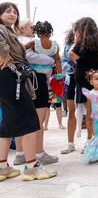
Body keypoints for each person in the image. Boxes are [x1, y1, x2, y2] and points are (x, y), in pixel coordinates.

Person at [0, 2, 57, 181]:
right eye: (8, 11)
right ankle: (32, 167)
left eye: (15, 11)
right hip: (10, 77)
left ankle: (2, 167)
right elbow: (4, 51)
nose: (12, 14)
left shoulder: (8, 31)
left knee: (9, 122)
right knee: (31, 120)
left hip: (8, 78)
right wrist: (5, 56)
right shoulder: (2, 31)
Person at [12, 18, 55, 165]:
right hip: (36, 80)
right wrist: (51, 60)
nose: (34, 29)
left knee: (22, 117)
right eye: (31, 27)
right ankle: (39, 153)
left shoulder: (18, 40)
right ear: (23, 28)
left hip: (22, 80)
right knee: (38, 120)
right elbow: (30, 57)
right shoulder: (27, 41)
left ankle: (20, 153)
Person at [23, 20, 60, 165]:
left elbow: (22, 51)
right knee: (39, 119)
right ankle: (38, 153)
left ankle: (31, 153)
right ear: (51, 32)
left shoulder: (34, 43)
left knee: (35, 119)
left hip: (33, 80)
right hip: (44, 81)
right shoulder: (55, 45)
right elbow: (57, 62)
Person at [69, 17, 98, 153]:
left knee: (89, 113)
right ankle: (97, 139)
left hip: (84, 81)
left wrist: (82, 59)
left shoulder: (80, 44)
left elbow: (71, 55)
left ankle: (90, 140)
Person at [60, 26, 79, 154]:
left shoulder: (89, 43)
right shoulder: (68, 45)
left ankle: (90, 141)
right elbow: (63, 63)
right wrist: (72, 66)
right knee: (71, 110)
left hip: (86, 79)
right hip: (72, 78)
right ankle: (70, 143)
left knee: (90, 112)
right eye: (75, 30)